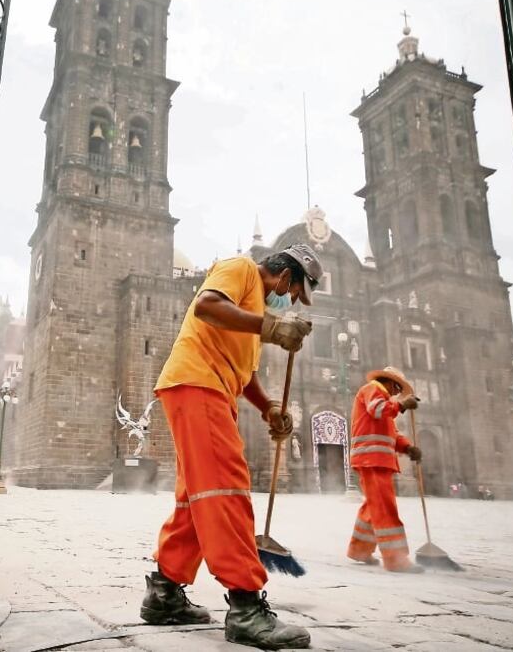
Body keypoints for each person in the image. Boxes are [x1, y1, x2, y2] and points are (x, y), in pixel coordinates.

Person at [140, 244, 323, 649]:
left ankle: (164, 593)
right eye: (294, 292)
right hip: (197, 384)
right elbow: (206, 305)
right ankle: (245, 608)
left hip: (208, 390)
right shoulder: (241, 269)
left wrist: (270, 408)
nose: (291, 301)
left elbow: (245, 376)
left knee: (197, 497)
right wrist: (272, 327)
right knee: (227, 489)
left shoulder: (252, 310)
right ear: (287, 276)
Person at [346, 366, 424, 573]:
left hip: (376, 459)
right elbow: (377, 409)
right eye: (396, 389)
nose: (396, 394)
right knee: (385, 508)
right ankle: (396, 559)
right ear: (390, 382)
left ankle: (359, 550)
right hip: (372, 459)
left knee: (373, 507)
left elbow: (392, 433)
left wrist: (407, 447)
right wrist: (401, 405)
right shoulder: (372, 389)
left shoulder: (385, 399)